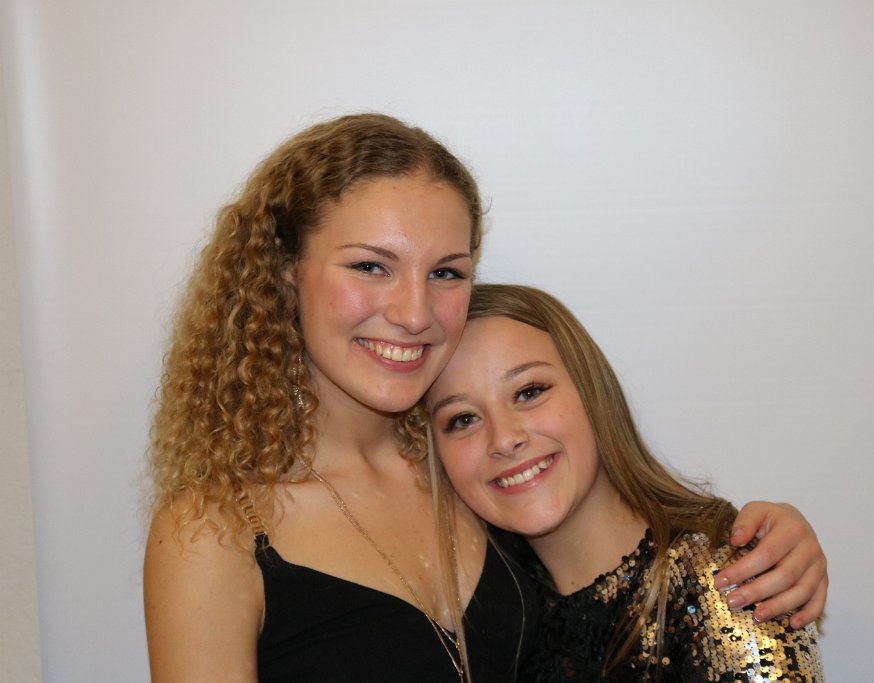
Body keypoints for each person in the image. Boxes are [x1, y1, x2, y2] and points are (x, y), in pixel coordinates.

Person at [144, 113, 827, 682]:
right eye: (371, 266)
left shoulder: (469, 468)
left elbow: (619, 579)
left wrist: (765, 537)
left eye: (445, 272)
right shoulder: (212, 533)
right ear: (284, 273)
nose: (414, 312)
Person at [421, 283, 825, 682]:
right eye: (463, 419)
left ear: (592, 391)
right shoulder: (482, 613)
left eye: (529, 392)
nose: (504, 439)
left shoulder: (724, 581)